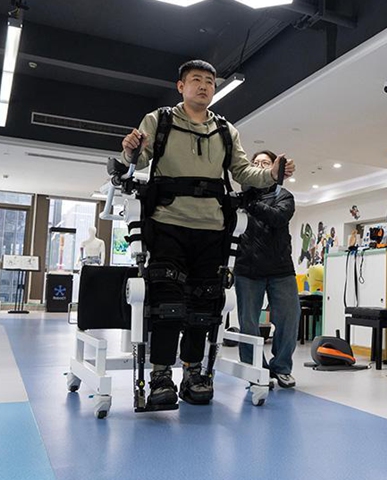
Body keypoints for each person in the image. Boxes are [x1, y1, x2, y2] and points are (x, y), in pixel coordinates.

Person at [119, 60, 295, 407]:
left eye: (210, 82)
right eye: (196, 80)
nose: (204, 86)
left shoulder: (227, 131)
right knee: (167, 303)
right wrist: (129, 149)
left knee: (204, 304)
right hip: (169, 222)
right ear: (180, 86)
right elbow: (137, 160)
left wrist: (272, 174)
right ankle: (160, 375)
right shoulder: (160, 120)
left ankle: (194, 372)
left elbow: (244, 172)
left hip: (212, 227)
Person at [235, 150, 300, 388]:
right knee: (248, 323)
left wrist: (250, 204)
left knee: (289, 320)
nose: (260, 166)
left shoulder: (285, 195)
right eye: (256, 163)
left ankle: (281, 368)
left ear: (274, 167)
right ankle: (255, 371)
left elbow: (278, 218)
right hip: (247, 268)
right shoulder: (240, 195)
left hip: (281, 269)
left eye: (265, 163)